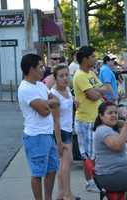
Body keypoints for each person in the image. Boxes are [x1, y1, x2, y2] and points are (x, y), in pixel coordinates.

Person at [18, 54, 62, 200]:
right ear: (31, 69)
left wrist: (46, 103)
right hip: (35, 136)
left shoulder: (41, 85)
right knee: (37, 174)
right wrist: (48, 104)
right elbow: (44, 112)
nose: (44, 69)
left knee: (52, 169)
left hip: (47, 134)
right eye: (40, 67)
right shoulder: (25, 88)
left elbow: (56, 101)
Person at [93, 101, 127, 200]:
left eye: (115, 113)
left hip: (113, 173)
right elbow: (117, 146)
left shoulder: (108, 128)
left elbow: (118, 151)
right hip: (108, 175)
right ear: (101, 116)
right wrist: (126, 126)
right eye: (110, 113)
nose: (114, 115)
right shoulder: (103, 130)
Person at [73, 46, 108, 192]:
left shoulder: (91, 73)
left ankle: (96, 180)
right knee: (88, 154)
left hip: (95, 119)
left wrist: (97, 91)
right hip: (85, 121)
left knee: (96, 153)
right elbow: (94, 95)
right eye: (93, 56)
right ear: (85, 59)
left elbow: (106, 88)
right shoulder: (80, 75)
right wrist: (97, 91)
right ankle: (90, 182)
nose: (95, 59)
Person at [51, 64, 80, 200]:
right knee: (66, 164)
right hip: (61, 131)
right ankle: (68, 194)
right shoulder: (54, 95)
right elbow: (55, 121)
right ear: (55, 78)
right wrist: (58, 142)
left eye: (66, 75)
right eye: (61, 76)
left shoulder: (67, 89)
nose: (65, 78)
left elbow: (69, 102)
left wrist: (75, 101)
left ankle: (61, 193)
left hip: (68, 128)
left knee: (66, 162)